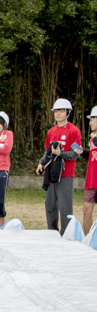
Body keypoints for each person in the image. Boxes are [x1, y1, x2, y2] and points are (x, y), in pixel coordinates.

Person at [37, 98, 83, 235]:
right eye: (56, 111)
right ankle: (52, 233)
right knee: (50, 204)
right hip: (51, 173)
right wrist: (41, 163)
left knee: (65, 206)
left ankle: (66, 234)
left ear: (67, 113)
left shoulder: (74, 131)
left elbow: (76, 153)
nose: (58, 114)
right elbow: (47, 151)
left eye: (61, 111)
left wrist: (61, 154)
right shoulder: (51, 131)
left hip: (66, 174)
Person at [84, 106, 97, 235]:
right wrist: (82, 152)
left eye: (92, 119)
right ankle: (87, 239)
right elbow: (92, 155)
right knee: (86, 210)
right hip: (91, 180)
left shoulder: (94, 138)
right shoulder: (93, 137)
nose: (90, 122)